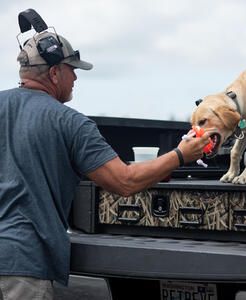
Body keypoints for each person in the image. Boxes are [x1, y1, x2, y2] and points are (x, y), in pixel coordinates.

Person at [0, 28, 211, 299]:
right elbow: (125, 180)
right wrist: (181, 155)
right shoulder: (69, 123)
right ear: (54, 74)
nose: (76, 76)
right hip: (22, 266)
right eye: (71, 69)